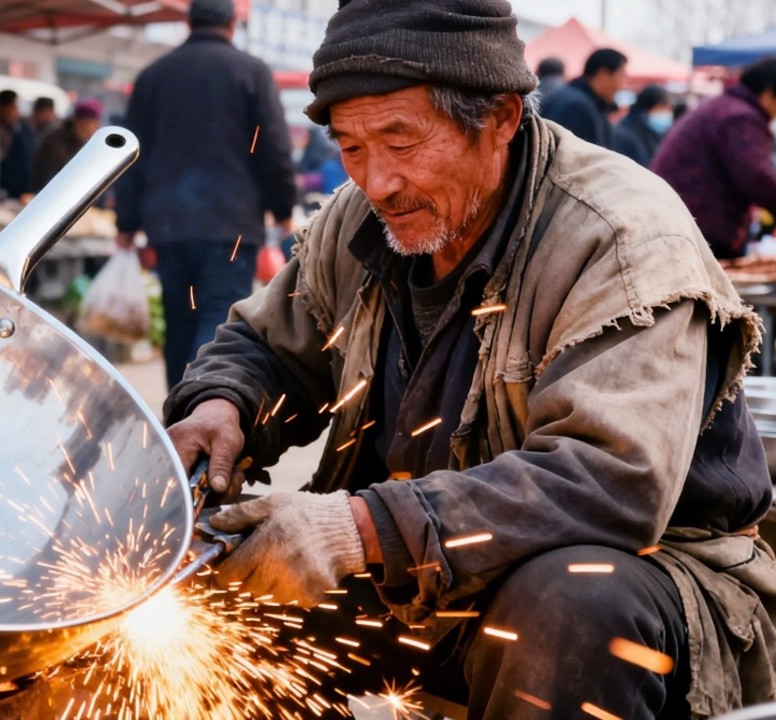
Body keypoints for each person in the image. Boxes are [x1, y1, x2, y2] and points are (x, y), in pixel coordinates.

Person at [164, 1, 776, 718]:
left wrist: (353, 529)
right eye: (351, 148)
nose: (377, 181)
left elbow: (611, 482)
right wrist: (222, 406)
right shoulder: (361, 218)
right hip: (426, 564)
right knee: (214, 597)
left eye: (401, 140)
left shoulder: (621, 238)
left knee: (568, 600)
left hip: (650, 578)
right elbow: (272, 347)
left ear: (503, 119)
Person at [116, 0, 296, 389]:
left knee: (180, 324)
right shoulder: (251, 73)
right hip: (230, 226)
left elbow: (129, 153)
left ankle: (180, 419)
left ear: (189, 22)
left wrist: (126, 222)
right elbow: (274, 146)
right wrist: (282, 209)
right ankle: (202, 414)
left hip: (169, 226)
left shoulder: (152, 76)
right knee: (218, 320)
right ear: (232, 24)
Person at [652, 57, 776, 259]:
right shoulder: (741, 117)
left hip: (681, 221)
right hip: (699, 227)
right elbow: (755, 177)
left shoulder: (724, 106)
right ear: (770, 92)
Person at [539, 47, 627, 148]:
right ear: (603, 74)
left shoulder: (576, 98)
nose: (622, 86)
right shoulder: (577, 107)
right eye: (621, 77)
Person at [29, 99, 102, 193]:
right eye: (93, 124)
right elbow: (49, 179)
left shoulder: (87, 144)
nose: (95, 129)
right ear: (79, 121)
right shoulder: (55, 140)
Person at [612, 84, 673, 167]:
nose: (668, 113)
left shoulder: (649, 134)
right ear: (648, 107)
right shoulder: (628, 136)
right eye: (662, 107)